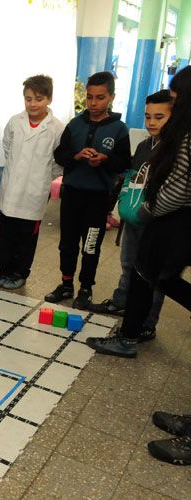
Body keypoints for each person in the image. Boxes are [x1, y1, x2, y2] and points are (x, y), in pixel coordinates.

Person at [86, 65, 191, 466]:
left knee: (156, 274)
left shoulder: (182, 140)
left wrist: (145, 210)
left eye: (174, 105)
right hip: (156, 221)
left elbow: (175, 189)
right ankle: (130, 329)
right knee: (145, 271)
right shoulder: (168, 140)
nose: (165, 115)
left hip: (164, 221)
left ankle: (137, 329)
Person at [86, 90, 173, 342]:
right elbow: (134, 175)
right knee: (128, 263)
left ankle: (147, 322)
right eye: (148, 116)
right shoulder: (146, 145)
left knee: (151, 274)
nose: (152, 122)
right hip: (134, 215)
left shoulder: (174, 150)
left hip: (156, 221)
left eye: (159, 117)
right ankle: (121, 300)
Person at [45, 71, 131, 309]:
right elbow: (60, 154)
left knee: (91, 244)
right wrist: (76, 156)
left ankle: (86, 288)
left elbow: (125, 162)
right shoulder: (75, 124)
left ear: (111, 97)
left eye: (100, 98)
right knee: (68, 242)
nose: (94, 103)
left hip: (98, 198)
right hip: (72, 193)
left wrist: (104, 159)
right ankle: (65, 284)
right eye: (90, 97)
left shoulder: (119, 129)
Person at [0, 75, 64, 290]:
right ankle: (3, 271)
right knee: (5, 236)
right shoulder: (15, 121)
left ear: (49, 99)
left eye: (38, 99)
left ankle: (19, 273)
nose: (32, 104)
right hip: (10, 191)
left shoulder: (56, 128)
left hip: (35, 194)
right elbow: (7, 146)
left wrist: (40, 178)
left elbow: (58, 164)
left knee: (26, 239)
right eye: (28, 99)